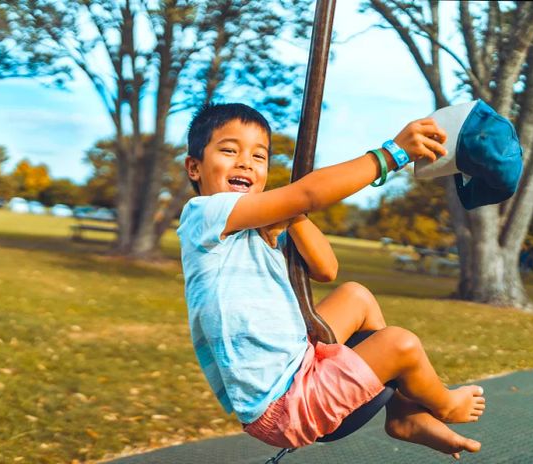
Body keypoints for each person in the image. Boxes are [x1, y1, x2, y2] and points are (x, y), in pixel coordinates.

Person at [176, 103, 485, 460]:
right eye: (229, 150)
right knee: (400, 344)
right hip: (283, 404)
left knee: (357, 296)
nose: (245, 162)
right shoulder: (205, 213)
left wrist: (291, 216)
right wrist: (391, 154)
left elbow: (326, 269)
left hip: (296, 365)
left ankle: (404, 412)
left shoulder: (258, 228)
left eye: (259, 156)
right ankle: (444, 405)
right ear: (194, 167)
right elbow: (309, 193)